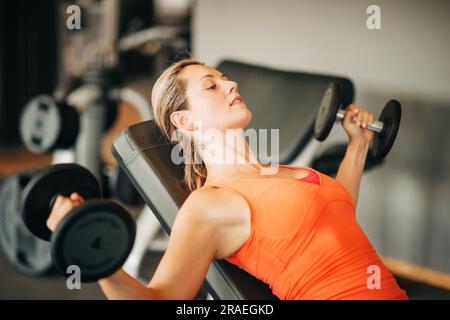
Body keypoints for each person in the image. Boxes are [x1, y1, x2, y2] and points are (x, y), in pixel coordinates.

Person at [47, 58, 408, 300]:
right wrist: (94, 253)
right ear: (184, 121)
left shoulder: (277, 171)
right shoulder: (210, 204)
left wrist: (358, 145)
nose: (231, 84)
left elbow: (337, 214)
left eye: (224, 79)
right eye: (211, 86)